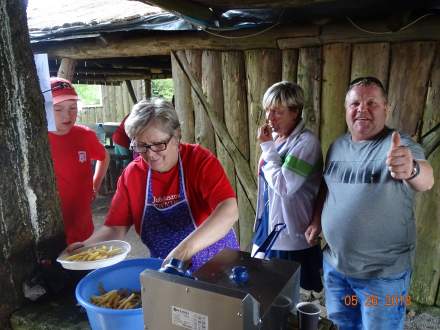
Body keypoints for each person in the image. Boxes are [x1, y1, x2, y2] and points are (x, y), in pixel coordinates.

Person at [307, 76, 434, 330]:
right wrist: (317, 220)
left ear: (386, 108)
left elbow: (426, 179)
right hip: (336, 268)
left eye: (371, 103)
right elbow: (327, 185)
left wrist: (411, 169)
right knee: (343, 325)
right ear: (346, 109)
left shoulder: (399, 145)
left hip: (382, 277)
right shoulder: (337, 146)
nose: (362, 109)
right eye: (355, 104)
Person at [69, 98, 239, 271]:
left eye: (158, 144)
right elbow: (114, 228)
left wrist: (182, 251)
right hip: (166, 270)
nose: (150, 154)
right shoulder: (132, 175)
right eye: (141, 146)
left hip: (218, 265)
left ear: (176, 136)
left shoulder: (198, 160)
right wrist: (85, 248)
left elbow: (229, 210)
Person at [251, 81, 324, 297]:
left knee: (292, 297)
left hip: (291, 234)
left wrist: (267, 148)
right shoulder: (275, 139)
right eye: (267, 110)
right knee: (267, 289)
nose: (269, 118)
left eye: (277, 112)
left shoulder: (306, 143)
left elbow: (284, 186)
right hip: (268, 225)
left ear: (295, 112)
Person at [48, 77, 110, 245]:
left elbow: (104, 157)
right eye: (58, 109)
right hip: (51, 234)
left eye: (73, 108)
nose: (67, 115)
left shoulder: (84, 135)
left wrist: (95, 185)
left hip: (83, 229)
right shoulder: (37, 141)